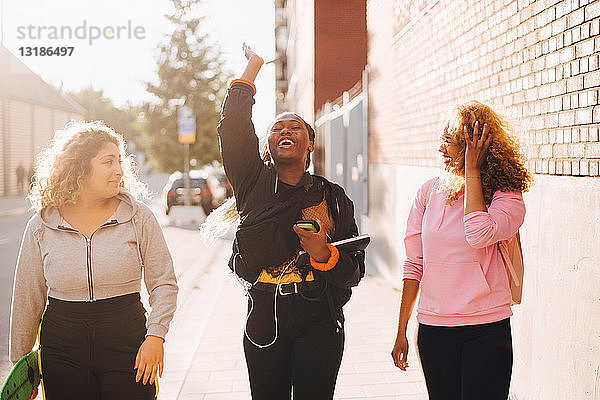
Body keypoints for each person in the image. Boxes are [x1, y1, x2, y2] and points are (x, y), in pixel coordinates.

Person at [203, 43, 365, 400]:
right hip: (263, 312)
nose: (285, 131)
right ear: (267, 145)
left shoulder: (333, 197)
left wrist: (325, 254)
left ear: (310, 143)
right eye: (277, 128)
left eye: (295, 127)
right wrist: (253, 68)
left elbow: (354, 272)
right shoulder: (251, 182)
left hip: (318, 314)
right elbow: (232, 126)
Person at [10, 121, 178, 400]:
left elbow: (164, 283)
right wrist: (21, 369)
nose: (119, 170)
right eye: (108, 162)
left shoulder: (139, 217)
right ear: (79, 167)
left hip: (127, 340)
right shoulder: (41, 225)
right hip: (62, 346)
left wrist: (155, 336)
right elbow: (28, 299)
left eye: (119, 161)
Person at [391, 101, 533, 400]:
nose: (441, 149)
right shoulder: (429, 191)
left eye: (450, 142)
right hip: (434, 327)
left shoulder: (506, 194)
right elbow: (414, 263)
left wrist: (472, 171)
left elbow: (478, 233)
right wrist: (401, 328)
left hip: (486, 326)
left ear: (475, 145)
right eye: (441, 141)